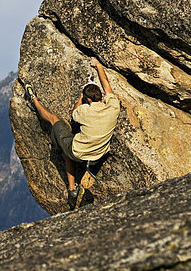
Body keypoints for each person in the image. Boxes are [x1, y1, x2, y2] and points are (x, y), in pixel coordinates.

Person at [22, 58, 120, 207]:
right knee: (74, 141)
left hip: (78, 152)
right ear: (101, 96)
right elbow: (107, 86)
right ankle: (90, 168)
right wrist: (99, 66)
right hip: (99, 155)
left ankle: (33, 98)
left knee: (55, 121)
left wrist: (80, 98)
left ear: (88, 99)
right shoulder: (113, 107)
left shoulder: (85, 111)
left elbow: (73, 113)